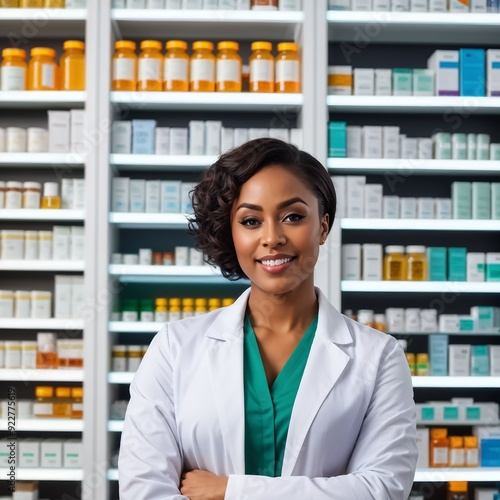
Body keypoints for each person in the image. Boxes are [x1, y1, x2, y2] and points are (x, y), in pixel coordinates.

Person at [118, 138, 418, 499]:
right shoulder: (174, 348)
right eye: (250, 220)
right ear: (232, 232)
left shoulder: (379, 357)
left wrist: (232, 490)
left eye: (293, 216)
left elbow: (381, 489)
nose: (272, 238)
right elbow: (143, 488)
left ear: (322, 227)